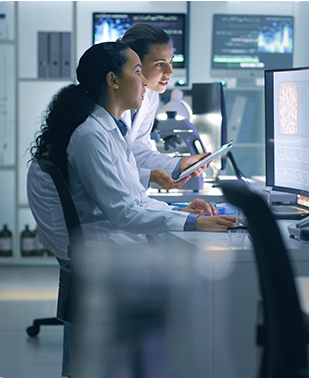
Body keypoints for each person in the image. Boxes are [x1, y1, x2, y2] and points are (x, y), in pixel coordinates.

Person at [27, 41, 236, 378]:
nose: (145, 82)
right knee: (206, 281)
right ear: (113, 80)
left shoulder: (111, 131)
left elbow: (133, 199)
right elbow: (124, 211)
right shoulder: (91, 136)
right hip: (109, 249)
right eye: (138, 71)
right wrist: (191, 224)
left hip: (115, 242)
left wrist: (186, 212)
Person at [120, 23, 208, 189]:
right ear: (134, 64)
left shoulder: (151, 95)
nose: (169, 71)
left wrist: (179, 164)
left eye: (170, 62)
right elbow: (112, 168)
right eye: (160, 64)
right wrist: (150, 176)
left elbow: (137, 151)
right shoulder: (107, 104)